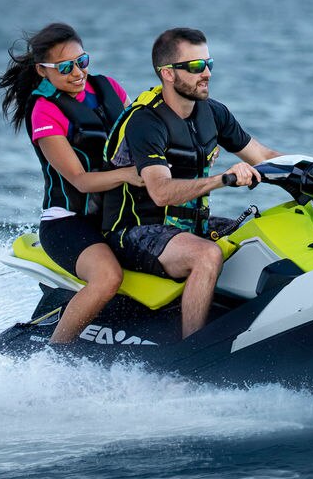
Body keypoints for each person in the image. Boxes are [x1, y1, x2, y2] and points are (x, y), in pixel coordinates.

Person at [102, 27, 282, 339]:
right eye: (196, 66)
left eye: (209, 63)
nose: (207, 73)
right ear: (168, 73)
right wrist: (223, 179)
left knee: (268, 233)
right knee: (206, 254)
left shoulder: (213, 113)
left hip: (192, 225)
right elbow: (160, 192)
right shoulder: (145, 122)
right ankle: (192, 350)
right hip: (136, 230)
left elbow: (263, 155)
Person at [0, 22, 142, 345]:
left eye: (82, 61)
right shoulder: (44, 111)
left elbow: (141, 139)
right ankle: (55, 356)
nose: (77, 73)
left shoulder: (110, 88)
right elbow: (80, 180)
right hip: (67, 223)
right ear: (42, 70)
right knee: (108, 277)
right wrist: (128, 175)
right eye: (64, 67)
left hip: (116, 216)